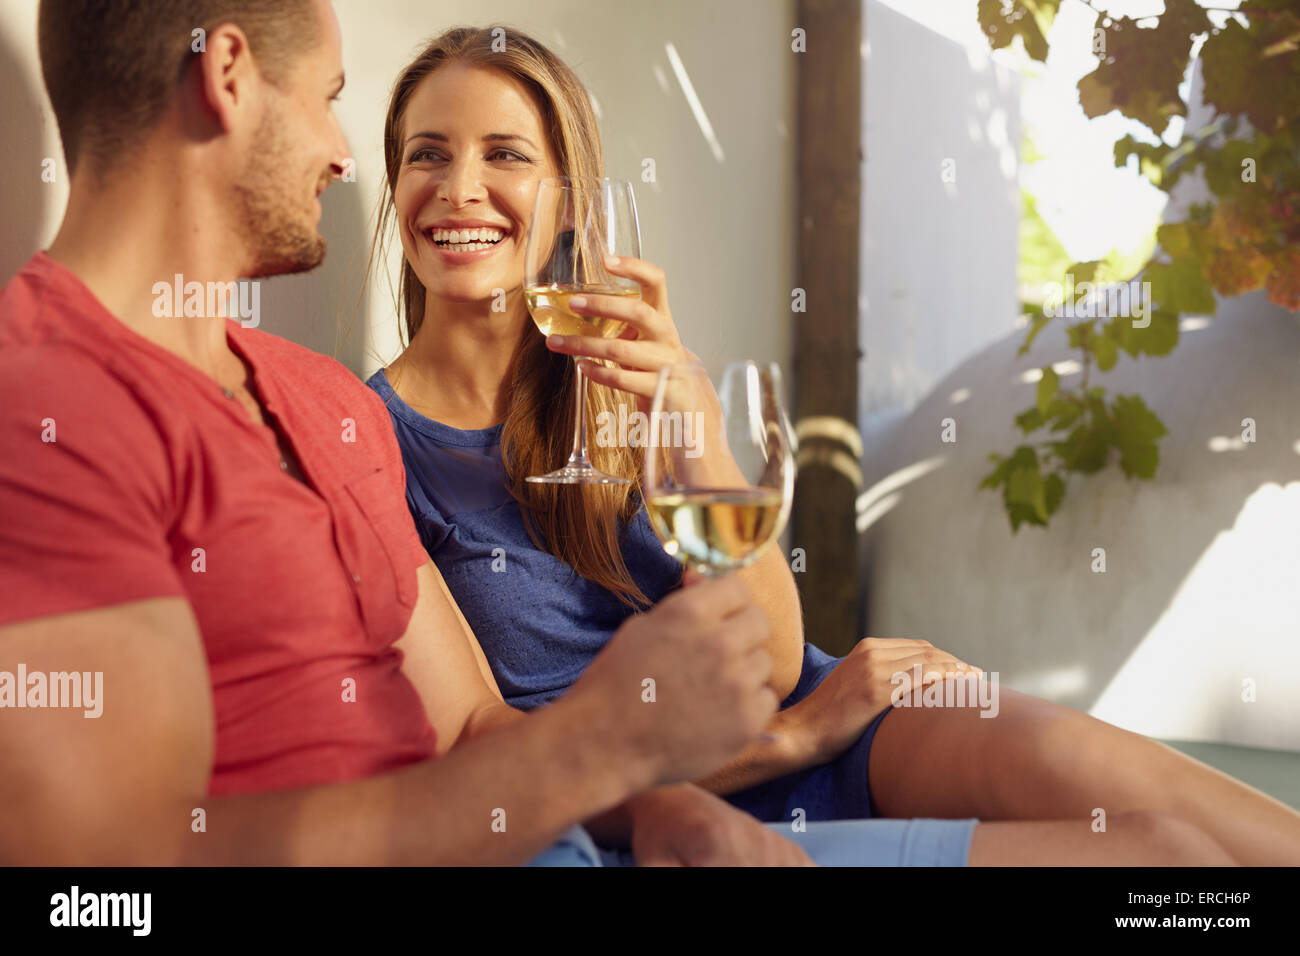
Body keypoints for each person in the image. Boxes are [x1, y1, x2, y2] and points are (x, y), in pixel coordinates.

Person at [0, 0, 1025, 868]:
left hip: (590, 825)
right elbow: (105, 876)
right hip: (557, 819)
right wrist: (601, 750)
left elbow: (473, 722)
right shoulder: (44, 402)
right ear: (226, 74)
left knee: (1151, 841)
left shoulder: (323, 404)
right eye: (330, 100)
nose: (341, 155)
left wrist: (655, 798)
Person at [363, 24, 1299, 865]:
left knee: (1079, 760)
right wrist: (801, 735)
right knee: (1164, 860)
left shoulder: (624, 377)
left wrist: (690, 419)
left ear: (570, 204)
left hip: (815, 720)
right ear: (396, 186)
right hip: (653, 801)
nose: (459, 188)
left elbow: (772, 662)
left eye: (505, 154)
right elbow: (483, 745)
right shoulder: (370, 441)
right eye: (426, 155)